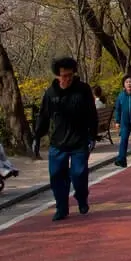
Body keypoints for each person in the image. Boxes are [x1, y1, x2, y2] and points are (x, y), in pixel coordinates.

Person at [33, 56, 99, 221]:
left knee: (79, 174)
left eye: (70, 75)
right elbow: (43, 116)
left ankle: (81, 197)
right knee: (56, 176)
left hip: (79, 141)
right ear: (57, 76)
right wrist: (37, 136)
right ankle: (61, 208)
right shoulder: (51, 93)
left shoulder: (82, 89)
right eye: (64, 75)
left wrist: (92, 135)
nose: (68, 78)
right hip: (58, 143)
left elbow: (92, 114)